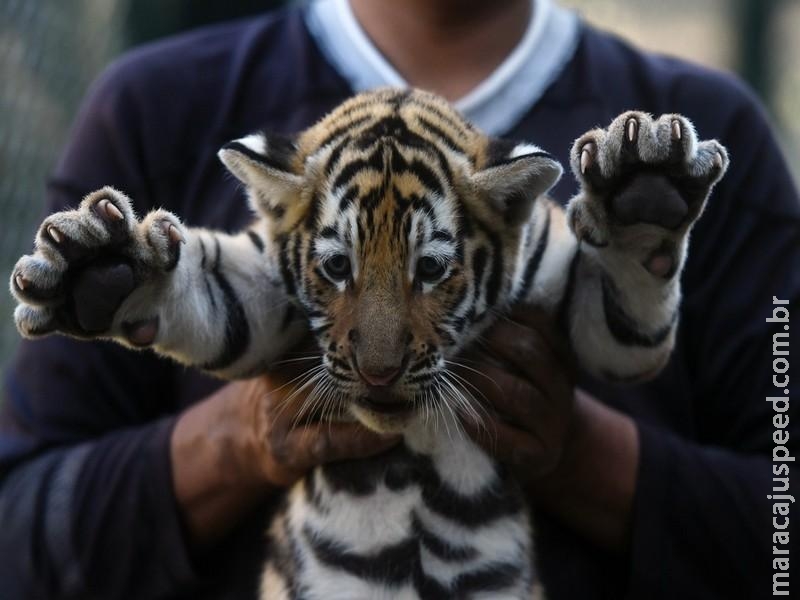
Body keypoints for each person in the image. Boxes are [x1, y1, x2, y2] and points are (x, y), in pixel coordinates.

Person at [0, 0, 797, 598]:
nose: (378, 359)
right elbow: (18, 539)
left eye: (435, 270)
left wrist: (579, 453)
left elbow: (784, 539)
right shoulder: (155, 109)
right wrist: (243, 439)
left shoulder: (702, 141)